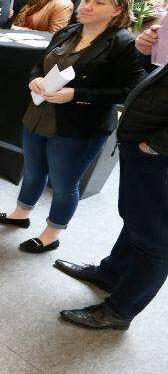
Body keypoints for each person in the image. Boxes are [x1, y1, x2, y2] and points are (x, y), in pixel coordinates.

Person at [0, 0, 144, 253]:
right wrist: (35, 80)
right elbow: (37, 66)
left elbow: (129, 90)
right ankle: (21, 213)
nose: (87, 6)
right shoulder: (68, 32)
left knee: (64, 183)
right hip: (39, 112)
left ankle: (52, 233)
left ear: (117, 10)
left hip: (80, 126)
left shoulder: (123, 43)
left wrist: (77, 94)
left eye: (99, 3)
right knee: (33, 171)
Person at [55, 23, 168, 330]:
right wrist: (148, 53)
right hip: (145, 139)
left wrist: (155, 145)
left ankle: (120, 311)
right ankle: (111, 274)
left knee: (155, 239)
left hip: (158, 149)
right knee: (136, 219)